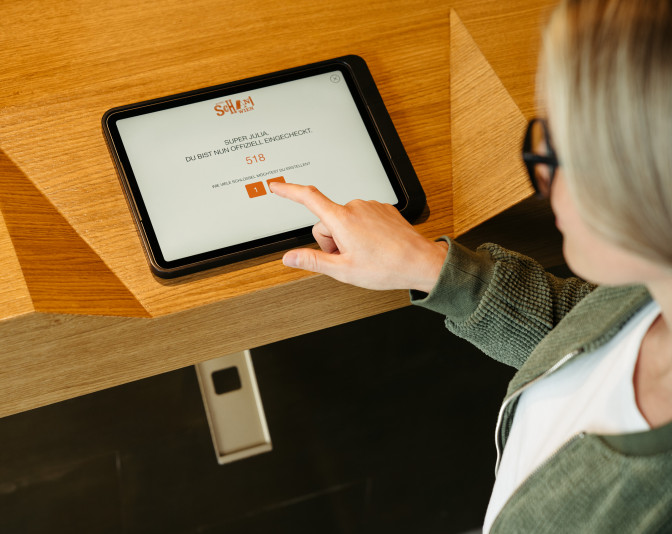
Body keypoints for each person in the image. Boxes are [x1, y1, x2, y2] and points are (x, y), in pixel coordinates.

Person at [268, 0, 672, 531]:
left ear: (644, 188)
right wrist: (435, 268)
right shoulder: (652, 295)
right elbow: (586, 331)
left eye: (556, 153)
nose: (541, 182)